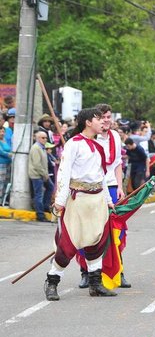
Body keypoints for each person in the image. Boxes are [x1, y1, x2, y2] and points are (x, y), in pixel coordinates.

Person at [43, 107, 117, 300]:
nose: (103, 122)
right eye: (98, 119)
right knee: (68, 244)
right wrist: (60, 201)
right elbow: (64, 173)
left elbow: (102, 176)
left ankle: (96, 284)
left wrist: (108, 201)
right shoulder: (73, 144)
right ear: (88, 122)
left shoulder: (99, 146)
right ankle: (52, 281)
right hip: (78, 199)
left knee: (97, 241)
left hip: (98, 199)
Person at [77, 104, 130, 289]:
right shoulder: (89, 137)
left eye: (108, 116)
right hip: (92, 189)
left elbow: (117, 163)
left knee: (116, 230)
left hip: (112, 187)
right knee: (89, 231)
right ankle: (86, 272)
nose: (106, 120)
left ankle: (118, 271)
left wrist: (120, 186)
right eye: (102, 117)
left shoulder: (115, 136)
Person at [28, 132, 54, 222]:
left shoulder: (41, 147)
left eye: (46, 138)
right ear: (38, 138)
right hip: (37, 174)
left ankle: (45, 207)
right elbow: (37, 164)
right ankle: (40, 214)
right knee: (38, 194)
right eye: (43, 138)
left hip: (43, 173)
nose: (45, 139)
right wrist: (44, 174)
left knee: (50, 187)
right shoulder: (36, 148)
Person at [0, 125, 11, 203]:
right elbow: (1, 152)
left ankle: (3, 199)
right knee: (1, 181)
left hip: (8, 164)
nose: (2, 133)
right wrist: (9, 154)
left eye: (3, 131)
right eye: (0, 131)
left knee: (6, 182)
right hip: (1, 164)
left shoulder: (5, 140)